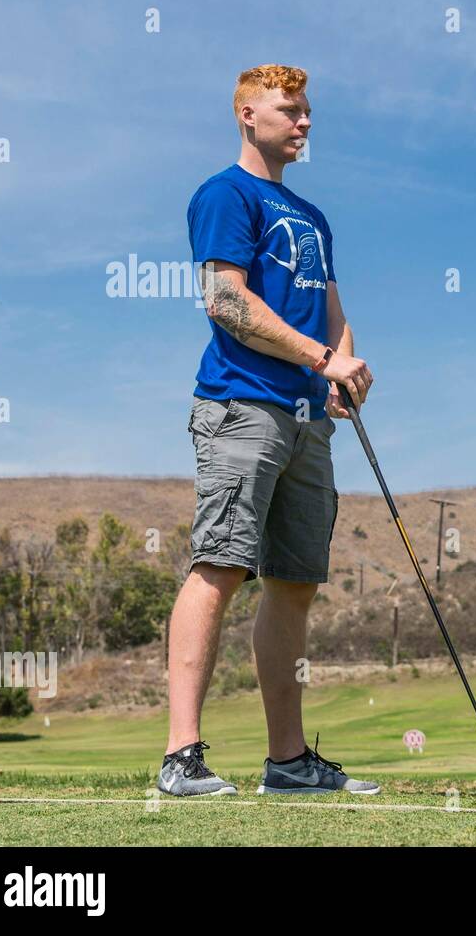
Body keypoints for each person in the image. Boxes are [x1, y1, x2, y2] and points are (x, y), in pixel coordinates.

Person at [157, 65, 378, 796]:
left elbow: (332, 306)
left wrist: (341, 370)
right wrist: (320, 356)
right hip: (242, 407)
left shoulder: (313, 216)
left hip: (309, 420)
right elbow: (226, 301)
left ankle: (288, 762)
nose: (305, 122)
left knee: (294, 585)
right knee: (220, 564)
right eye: (289, 110)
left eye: (308, 110)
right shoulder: (226, 193)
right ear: (248, 116)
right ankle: (180, 757)